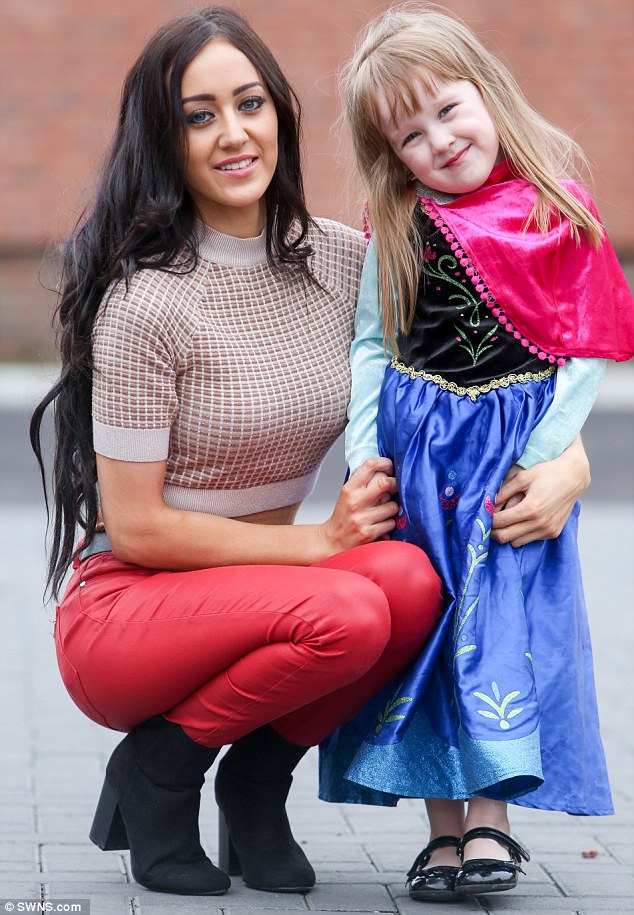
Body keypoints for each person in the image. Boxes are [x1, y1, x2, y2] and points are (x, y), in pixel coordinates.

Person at [29, 3, 590, 901]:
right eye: (197, 115)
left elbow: (490, 366)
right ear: (161, 139)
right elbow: (135, 530)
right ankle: (161, 770)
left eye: (249, 103)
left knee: (413, 585)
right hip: (130, 615)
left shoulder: (343, 262)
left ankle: (256, 787)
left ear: (282, 113)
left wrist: (570, 463)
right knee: (354, 610)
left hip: (270, 598)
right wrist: (321, 543)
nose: (232, 133)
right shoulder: (143, 306)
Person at [318, 2, 634, 904]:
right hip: (422, 466)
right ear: (393, 156)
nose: (439, 141)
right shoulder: (399, 227)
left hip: (506, 464)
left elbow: (584, 348)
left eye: (448, 110)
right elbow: (375, 346)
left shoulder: (555, 211)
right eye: (410, 135)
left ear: (486, 93)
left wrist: (541, 453)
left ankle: (492, 821)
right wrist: (366, 451)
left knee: (495, 633)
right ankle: (442, 834)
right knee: (424, 629)